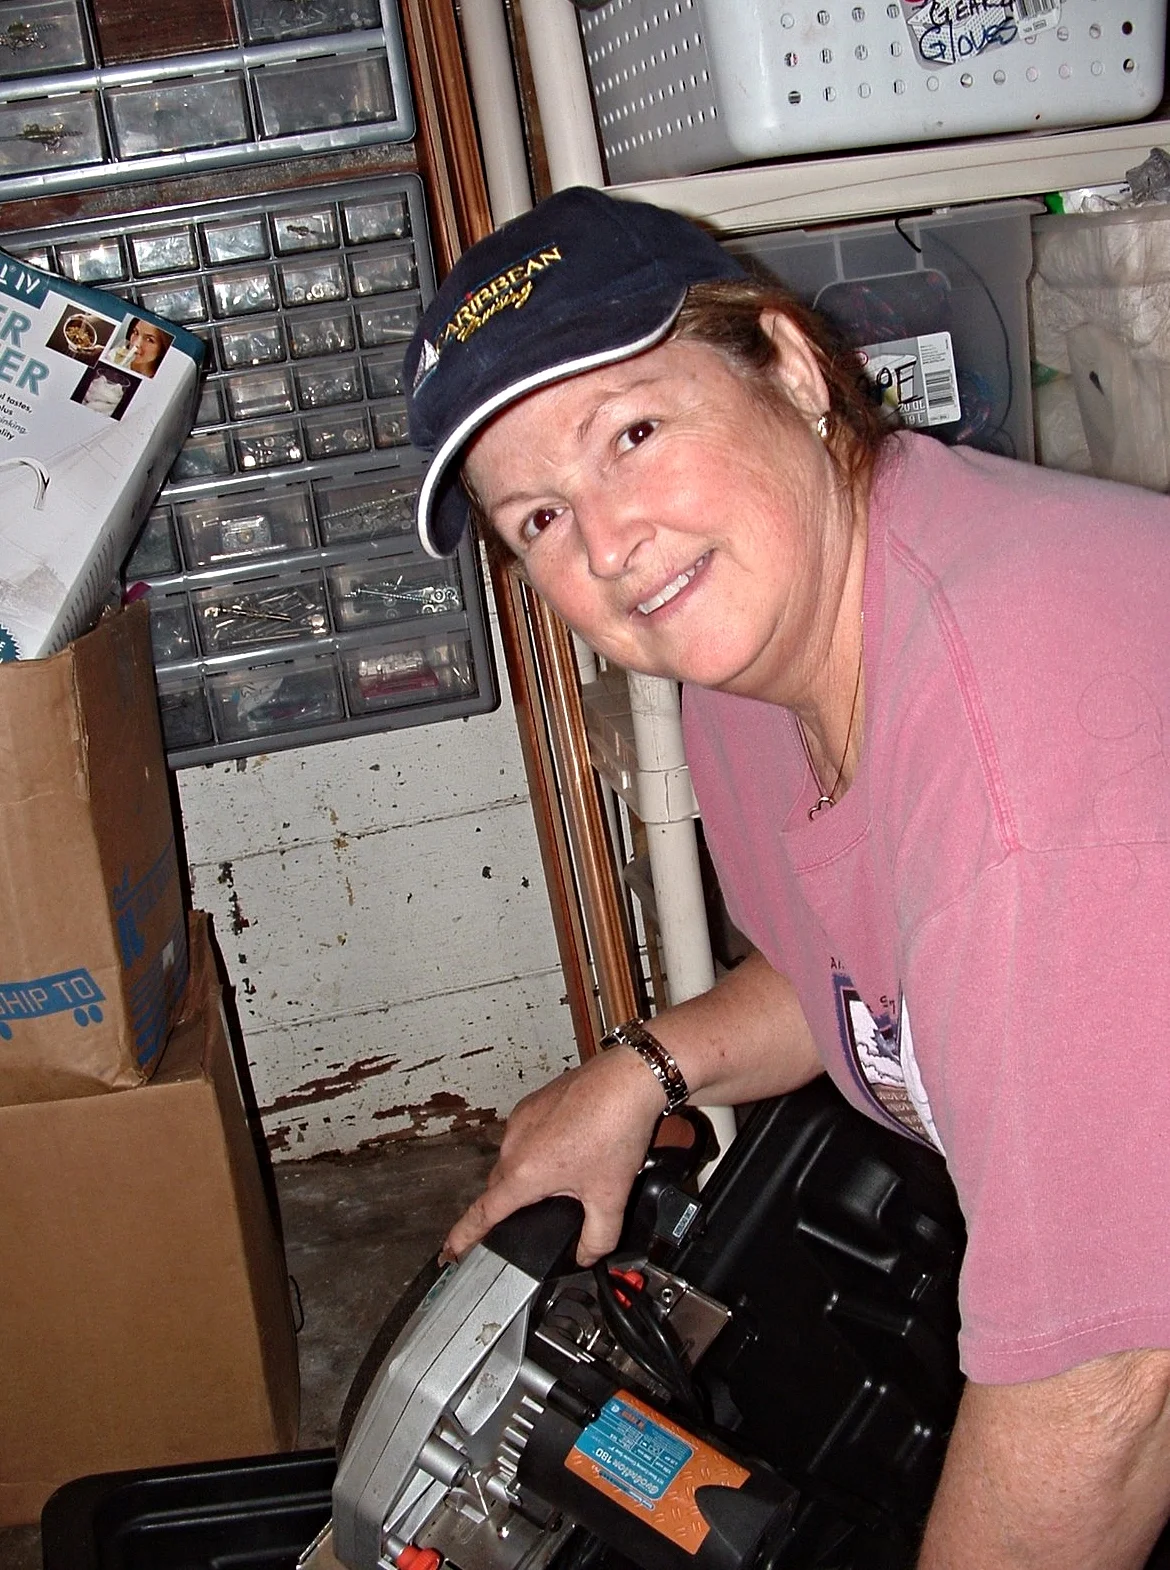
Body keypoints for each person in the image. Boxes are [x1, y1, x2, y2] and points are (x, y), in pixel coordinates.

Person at [403, 186, 1170, 1568]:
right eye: (537, 518)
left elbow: (1108, 1388)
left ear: (792, 368)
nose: (608, 543)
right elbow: (871, 973)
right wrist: (638, 1068)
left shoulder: (1026, 760)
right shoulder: (754, 680)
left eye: (632, 433)